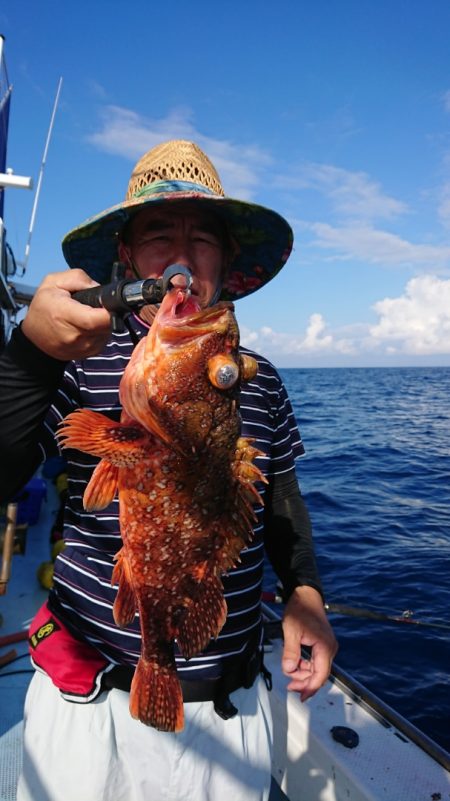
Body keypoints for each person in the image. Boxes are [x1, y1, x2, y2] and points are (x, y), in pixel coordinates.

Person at [0, 140, 337, 801]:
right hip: (86, 711)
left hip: (231, 712)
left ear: (227, 262)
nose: (181, 257)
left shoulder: (258, 380)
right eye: (159, 233)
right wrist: (30, 358)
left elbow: (280, 500)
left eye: (202, 238)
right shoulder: (72, 362)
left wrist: (306, 593)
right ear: (126, 258)